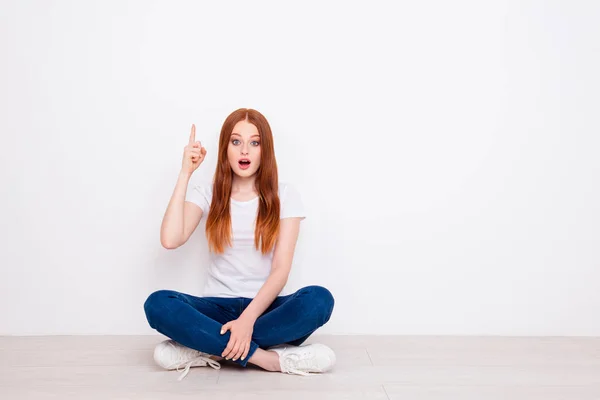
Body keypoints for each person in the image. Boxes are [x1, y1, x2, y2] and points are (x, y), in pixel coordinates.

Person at [143, 108, 336, 381]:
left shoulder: (285, 195)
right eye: (236, 142)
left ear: (264, 150)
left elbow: (281, 270)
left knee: (318, 300)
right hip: (217, 310)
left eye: (254, 143)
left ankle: (210, 349)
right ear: (225, 148)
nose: (244, 150)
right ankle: (269, 358)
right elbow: (170, 239)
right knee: (158, 304)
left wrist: (246, 321)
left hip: (265, 309)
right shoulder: (208, 193)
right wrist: (185, 173)